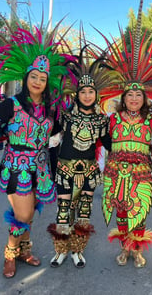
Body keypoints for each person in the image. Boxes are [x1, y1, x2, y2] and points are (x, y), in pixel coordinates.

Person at [0, 25, 68, 278]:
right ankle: (10, 253)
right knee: (22, 213)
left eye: (42, 79)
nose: (38, 82)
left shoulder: (50, 110)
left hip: (41, 166)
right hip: (17, 166)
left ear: (47, 83)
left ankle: (24, 249)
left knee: (31, 213)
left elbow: (58, 133)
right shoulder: (11, 105)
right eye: (34, 76)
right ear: (26, 78)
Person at [98, 0, 152, 268]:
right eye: (130, 95)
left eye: (139, 96)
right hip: (116, 171)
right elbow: (101, 141)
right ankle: (124, 249)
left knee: (139, 211)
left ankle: (136, 249)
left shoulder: (150, 119)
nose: (134, 99)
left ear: (144, 100)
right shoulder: (112, 119)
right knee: (121, 213)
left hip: (141, 172)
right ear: (123, 98)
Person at [47, 47, 113, 268]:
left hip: (89, 172)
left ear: (96, 94)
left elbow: (111, 145)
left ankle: (77, 250)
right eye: (83, 91)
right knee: (63, 211)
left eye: (90, 92)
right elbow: (47, 134)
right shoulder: (64, 116)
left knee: (84, 212)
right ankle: (60, 251)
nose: (87, 95)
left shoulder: (102, 120)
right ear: (77, 94)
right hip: (65, 170)